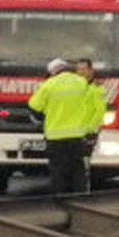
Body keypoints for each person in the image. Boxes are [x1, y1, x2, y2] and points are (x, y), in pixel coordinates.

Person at [28, 59, 92, 194]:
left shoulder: (48, 85)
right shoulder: (81, 82)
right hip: (77, 135)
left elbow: (34, 107)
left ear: (52, 72)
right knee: (78, 169)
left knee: (57, 170)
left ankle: (60, 199)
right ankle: (80, 199)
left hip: (55, 137)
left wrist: (43, 118)